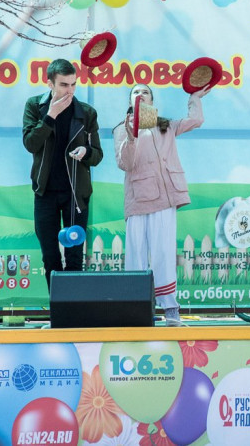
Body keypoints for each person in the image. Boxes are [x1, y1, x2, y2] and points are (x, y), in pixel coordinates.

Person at [113, 83, 210, 326]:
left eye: (145, 92)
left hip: (165, 199)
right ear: (130, 101)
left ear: (152, 100)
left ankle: (170, 309)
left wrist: (195, 97)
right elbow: (125, 163)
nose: (141, 95)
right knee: (136, 254)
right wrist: (131, 135)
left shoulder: (166, 125)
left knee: (164, 254)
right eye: (136, 92)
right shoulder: (122, 129)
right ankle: (135, 309)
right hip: (138, 199)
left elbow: (196, 120)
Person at [23, 58, 103, 288]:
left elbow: (97, 155)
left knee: (75, 258)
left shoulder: (86, 113)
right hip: (45, 192)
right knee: (50, 258)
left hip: (76, 195)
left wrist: (86, 152)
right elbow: (30, 143)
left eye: (73, 84)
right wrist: (51, 115)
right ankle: (57, 307)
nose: (70, 90)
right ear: (50, 84)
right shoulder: (35, 106)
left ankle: (74, 307)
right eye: (64, 85)